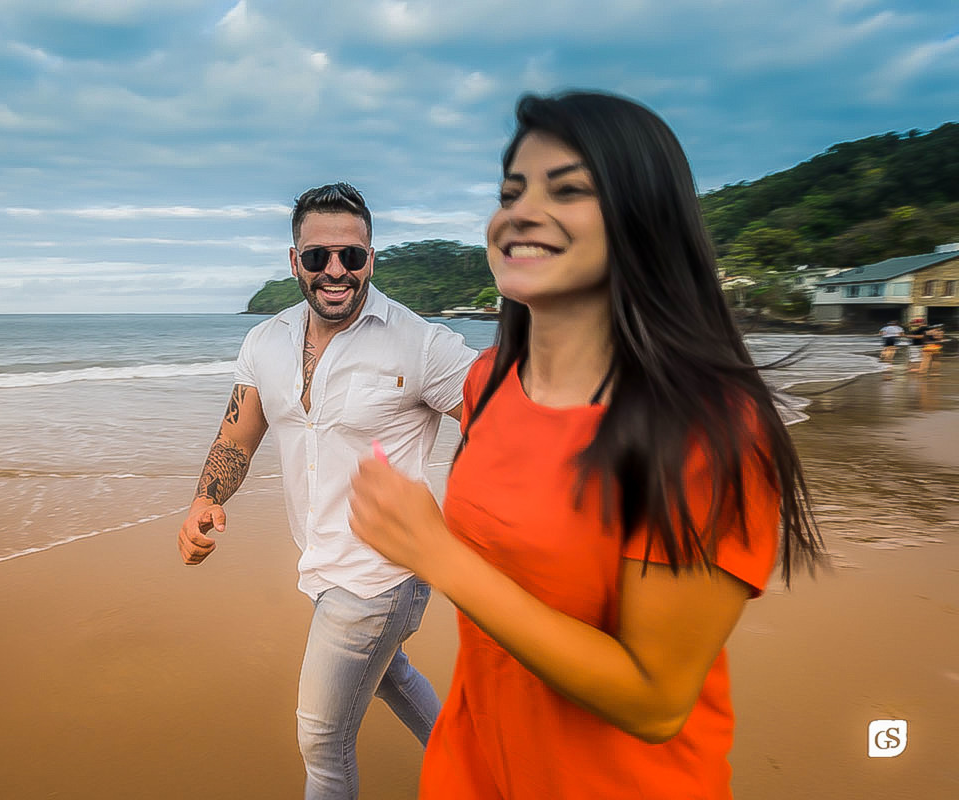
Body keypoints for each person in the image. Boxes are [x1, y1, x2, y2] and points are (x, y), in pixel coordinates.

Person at [348, 91, 824, 798]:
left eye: (567, 191)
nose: (519, 212)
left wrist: (435, 554)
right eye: (511, 191)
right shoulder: (486, 382)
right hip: (470, 771)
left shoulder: (706, 430)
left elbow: (655, 699)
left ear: (643, 223)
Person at [177, 182, 476, 800]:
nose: (335, 270)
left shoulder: (419, 344)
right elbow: (238, 434)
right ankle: (483, 770)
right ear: (295, 263)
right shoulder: (266, 343)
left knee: (321, 740)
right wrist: (206, 499)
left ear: (371, 257)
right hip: (321, 563)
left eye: (351, 255)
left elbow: (502, 417)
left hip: (381, 577)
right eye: (318, 257)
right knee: (392, 675)